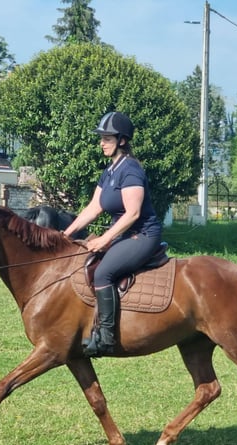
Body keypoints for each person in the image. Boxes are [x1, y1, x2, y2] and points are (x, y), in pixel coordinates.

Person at [62, 111, 162, 357]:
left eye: (107, 138)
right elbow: (94, 207)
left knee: (104, 272)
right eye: (102, 138)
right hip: (122, 234)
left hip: (143, 235)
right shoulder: (109, 171)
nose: (102, 143)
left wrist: (105, 239)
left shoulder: (130, 170)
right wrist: (66, 234)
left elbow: (133, 213)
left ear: (122, 140)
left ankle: (106, 337)